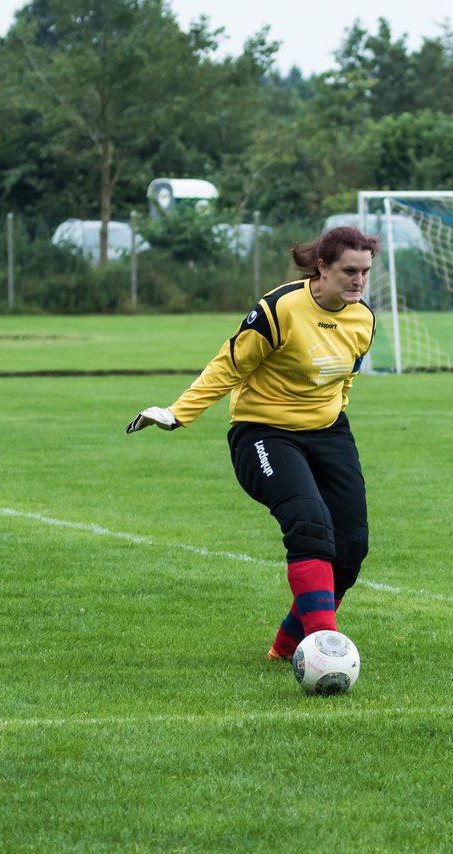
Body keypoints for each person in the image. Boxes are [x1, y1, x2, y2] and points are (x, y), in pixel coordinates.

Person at [126, 226, 379, 662]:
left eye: (365, 272)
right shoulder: (279, 309)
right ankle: (325, 647)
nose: (358, 281)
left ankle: (285, 649)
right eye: (349, 271)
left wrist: (331, 417)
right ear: (322, 266)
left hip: (329, 432)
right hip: (264, 433)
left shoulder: (364, 319)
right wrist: (178, 413)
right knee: (310, 525)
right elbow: (229, 365)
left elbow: (345, 377)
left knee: (352, 546)